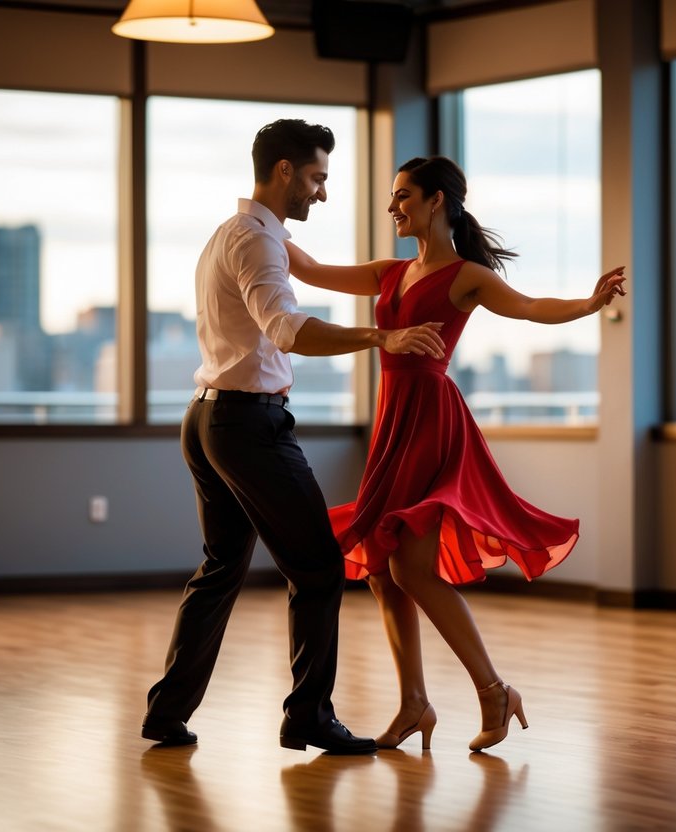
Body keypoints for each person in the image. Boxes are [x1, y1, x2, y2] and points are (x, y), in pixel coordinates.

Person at [285, 155, 626, 752]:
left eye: (403, 196)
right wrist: (259, 222)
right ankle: (414, 702)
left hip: (431, 420)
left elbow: (528, 306)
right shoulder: (389, 273)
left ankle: (494, 690)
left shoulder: (466, 275)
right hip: (394, 420)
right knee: (384, 572)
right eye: (392, 198)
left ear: (437, 200)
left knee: (411, 568)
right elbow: (311, 270)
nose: (393, 207)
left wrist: (588, 304)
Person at [141, 121, 446, 755]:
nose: (322, 193)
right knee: (318, 567)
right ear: (284, 172)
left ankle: (167, 713)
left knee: (222, 566)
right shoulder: (255, 242)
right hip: (247, 425)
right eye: (317, 178)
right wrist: (377, 337)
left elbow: (291, 299)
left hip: (207, 417)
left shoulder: (237, 233)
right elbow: (285, 328)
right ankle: (307, 715)